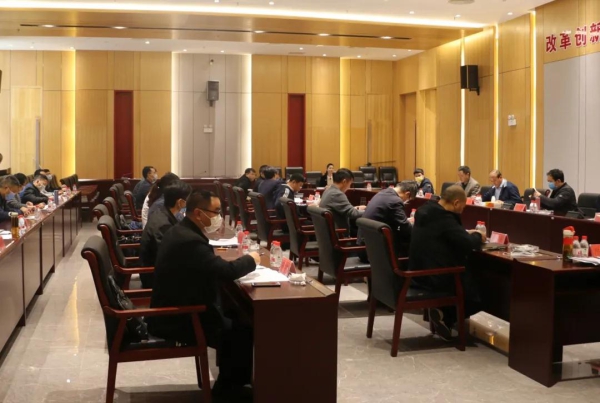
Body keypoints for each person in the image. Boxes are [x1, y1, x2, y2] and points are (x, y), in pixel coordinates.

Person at [147, 190, 261, 398]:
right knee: (242, 329)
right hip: (178, 318)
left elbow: (209, 266)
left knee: (236, 316)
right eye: (216, 211)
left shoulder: (180, 230)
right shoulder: (189, 240)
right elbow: (226, 272)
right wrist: (251, 259)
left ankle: (232, 385)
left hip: (179, 305)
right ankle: (228, 393)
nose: (218, 216)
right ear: (199, 213)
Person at [409, 185, 485, 340]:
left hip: (417, 272)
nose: (462, 210)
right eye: (463, 206)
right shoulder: (444, 218)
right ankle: (446, 317)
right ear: (456, 203)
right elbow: (468, 244)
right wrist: (478, 235)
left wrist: (463, 233)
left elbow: (444, 234)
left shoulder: (426, 210)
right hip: (434, 278)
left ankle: (443, 315)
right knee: (480, 293)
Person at [140, 180, 191, 288]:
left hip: (158, 271)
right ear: (180, 202)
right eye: (188, 200)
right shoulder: (163, 226)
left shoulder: (162, 212)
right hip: (156, 278)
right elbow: (169, 259)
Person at [357, 180, 417, 262]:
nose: (407, 201)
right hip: (374, 253)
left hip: (364, 247)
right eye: (409, 199)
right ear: (407, 194)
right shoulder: (395, 200)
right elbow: (405, 227)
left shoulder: (382, 193)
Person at [319, 168, 366, 235]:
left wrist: (356, 208)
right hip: (339, 235)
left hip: (328, 233)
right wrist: (369, 211)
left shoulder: (328, 190)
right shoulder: (337, 194)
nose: (349, 187)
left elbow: (340, 209)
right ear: (344, 181)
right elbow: (353, 214)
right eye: (350, 184)